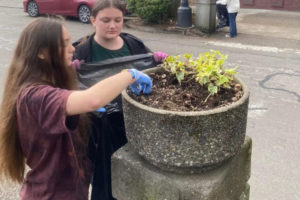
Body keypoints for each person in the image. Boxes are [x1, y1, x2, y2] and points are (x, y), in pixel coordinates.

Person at [0, 17, 152, 200]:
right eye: (64, 44)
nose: (72, 48)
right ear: (41, 52)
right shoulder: (35, 96)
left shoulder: (47, 86)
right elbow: (93, 99)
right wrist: (129, 74)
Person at [72, 0, 168, 200]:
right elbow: (64, 94)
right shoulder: (81, 52)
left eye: (118, 20)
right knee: (104, 177)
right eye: (105, 20)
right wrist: (67, 72)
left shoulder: (134, 45)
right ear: (93, 21)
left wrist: (158, 62)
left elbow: (152, 79)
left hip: (131, 123)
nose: (112, 25)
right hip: (97, 130)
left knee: (133, 174)